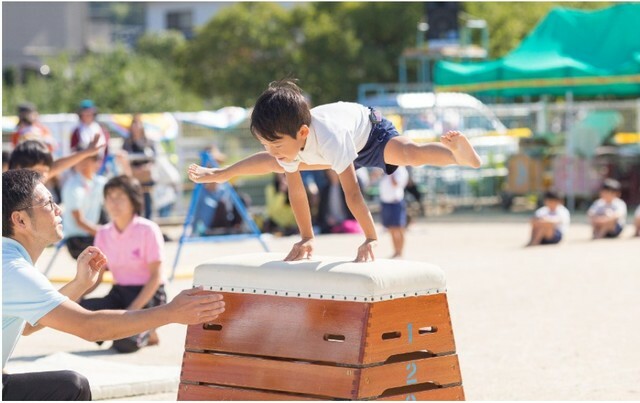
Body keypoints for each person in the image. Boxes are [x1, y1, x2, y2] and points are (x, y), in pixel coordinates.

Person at [188, 79, 481, 262]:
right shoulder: (289, 143)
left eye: (275, 143)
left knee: (409, 153)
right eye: (266, 143)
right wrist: (306, 237)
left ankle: (458, 156)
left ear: (302, 132)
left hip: (368, 133)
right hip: (329, 147)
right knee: (277, 164)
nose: (271, 150)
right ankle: (222, 172)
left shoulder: (328, 137)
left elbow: (353, 194)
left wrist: (370, 237)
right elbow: (297, 194)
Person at [2, 169, 225, 401]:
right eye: (48, 203)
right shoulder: (13, 269)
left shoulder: (8, 260)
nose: (58, 209)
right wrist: (171, 312)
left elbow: (27, 325)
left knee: (69, 385)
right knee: (73, 386)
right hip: (123, 296)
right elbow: (91, 328)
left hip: (145, 293)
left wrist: (79, 284)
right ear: (20, 220)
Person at [79, 175, 167, 353]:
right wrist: (76, 296)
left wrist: (132, 312)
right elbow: (99, 276)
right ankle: (134, 329)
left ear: (133, 200)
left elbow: (156, 276)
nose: (113, 203)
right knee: (81, 311)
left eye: (120, 197)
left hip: (148, 294)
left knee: (124, 344)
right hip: (120, 292)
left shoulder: (148, 230)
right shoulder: (103, 233)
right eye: (109, 197)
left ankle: (148, 330)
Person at [61, 148, 108, 259]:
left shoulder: (100, 182)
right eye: (80, 160)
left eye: (87, 160)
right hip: (77, 239)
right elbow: (79, 221)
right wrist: (106, 234)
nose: (83, 164)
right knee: (111, 251)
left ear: (97, 162)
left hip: (93, 235)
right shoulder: (72, 186)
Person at [8, 137, 104, 182]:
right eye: (37, 170)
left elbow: (58, 166)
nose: (44, 175)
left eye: (46, 171)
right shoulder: (6, 191)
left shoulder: (35, 184)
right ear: (18, 168)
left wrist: (86, 152)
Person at [122, 113, 156, 219]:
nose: (136, 127)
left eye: (138, 124)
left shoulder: (148, 141)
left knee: (147, 204)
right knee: (135, 204)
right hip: (133, 178)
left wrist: (145, 168)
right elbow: (124, 158)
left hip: (146, 179)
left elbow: (154, 158)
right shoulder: (127, 143)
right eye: (134, 124)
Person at [379, 166, 410, 258]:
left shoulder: (401, 170)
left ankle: (400, 251)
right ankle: (396, 251)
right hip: (386, 202)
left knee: (400, 228)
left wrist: (390, 172)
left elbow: (395, 184)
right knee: (391, 229)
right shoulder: (384, 168)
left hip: (396, 202)